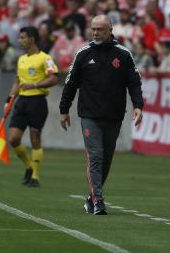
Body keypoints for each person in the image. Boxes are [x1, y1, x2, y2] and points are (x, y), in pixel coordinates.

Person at [59, 15, 143, 215]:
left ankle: (91, 197)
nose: (96, 33)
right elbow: (70, 83)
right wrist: (64, 109)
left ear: (110, 30)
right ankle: (99, 201)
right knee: (95, 156)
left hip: (114, 115)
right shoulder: (83, 54)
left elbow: (134, 82)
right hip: (89, 114)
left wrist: (138, 105)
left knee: (106, 159)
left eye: (100, 29)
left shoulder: (123, 54)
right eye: (93, 29)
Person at [5, 26, 59, 187]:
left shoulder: (45, 58)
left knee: (35, 139)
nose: (19, 41)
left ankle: (35, 177)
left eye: (22, 38)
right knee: (13, 139)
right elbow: (17, 82)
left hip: (38, 102)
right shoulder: (21, 59)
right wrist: (8, 101)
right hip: (21, 102)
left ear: (32, 39)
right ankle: (29, 166)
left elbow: (54, 79)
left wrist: (34, 85)